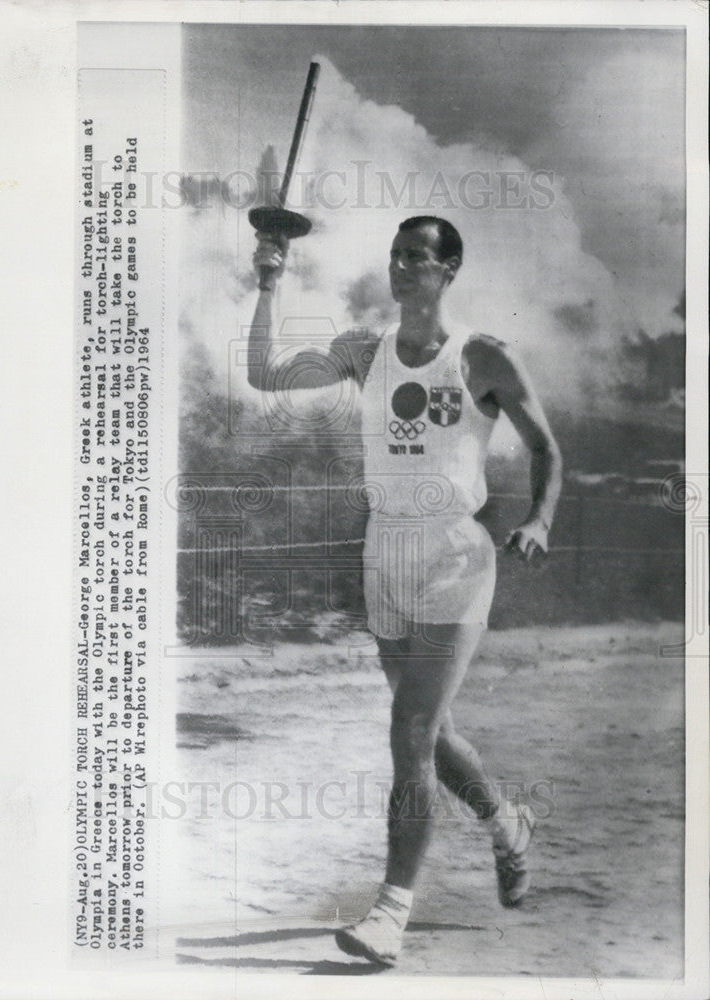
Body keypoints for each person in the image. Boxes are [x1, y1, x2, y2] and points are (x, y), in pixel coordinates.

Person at [247, 216, 562, 966]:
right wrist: (268, 283)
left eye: (417, 257)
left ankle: (389, 914)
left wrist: (540, 520)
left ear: (448, 269)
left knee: (409, 735)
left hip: (454, 555)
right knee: (434, 733)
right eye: (395, 256)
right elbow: (264, 374)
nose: (401, 268)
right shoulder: (365, 350)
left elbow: (547, 447)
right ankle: (505, 825)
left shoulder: (482, 355)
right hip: (383, 550)